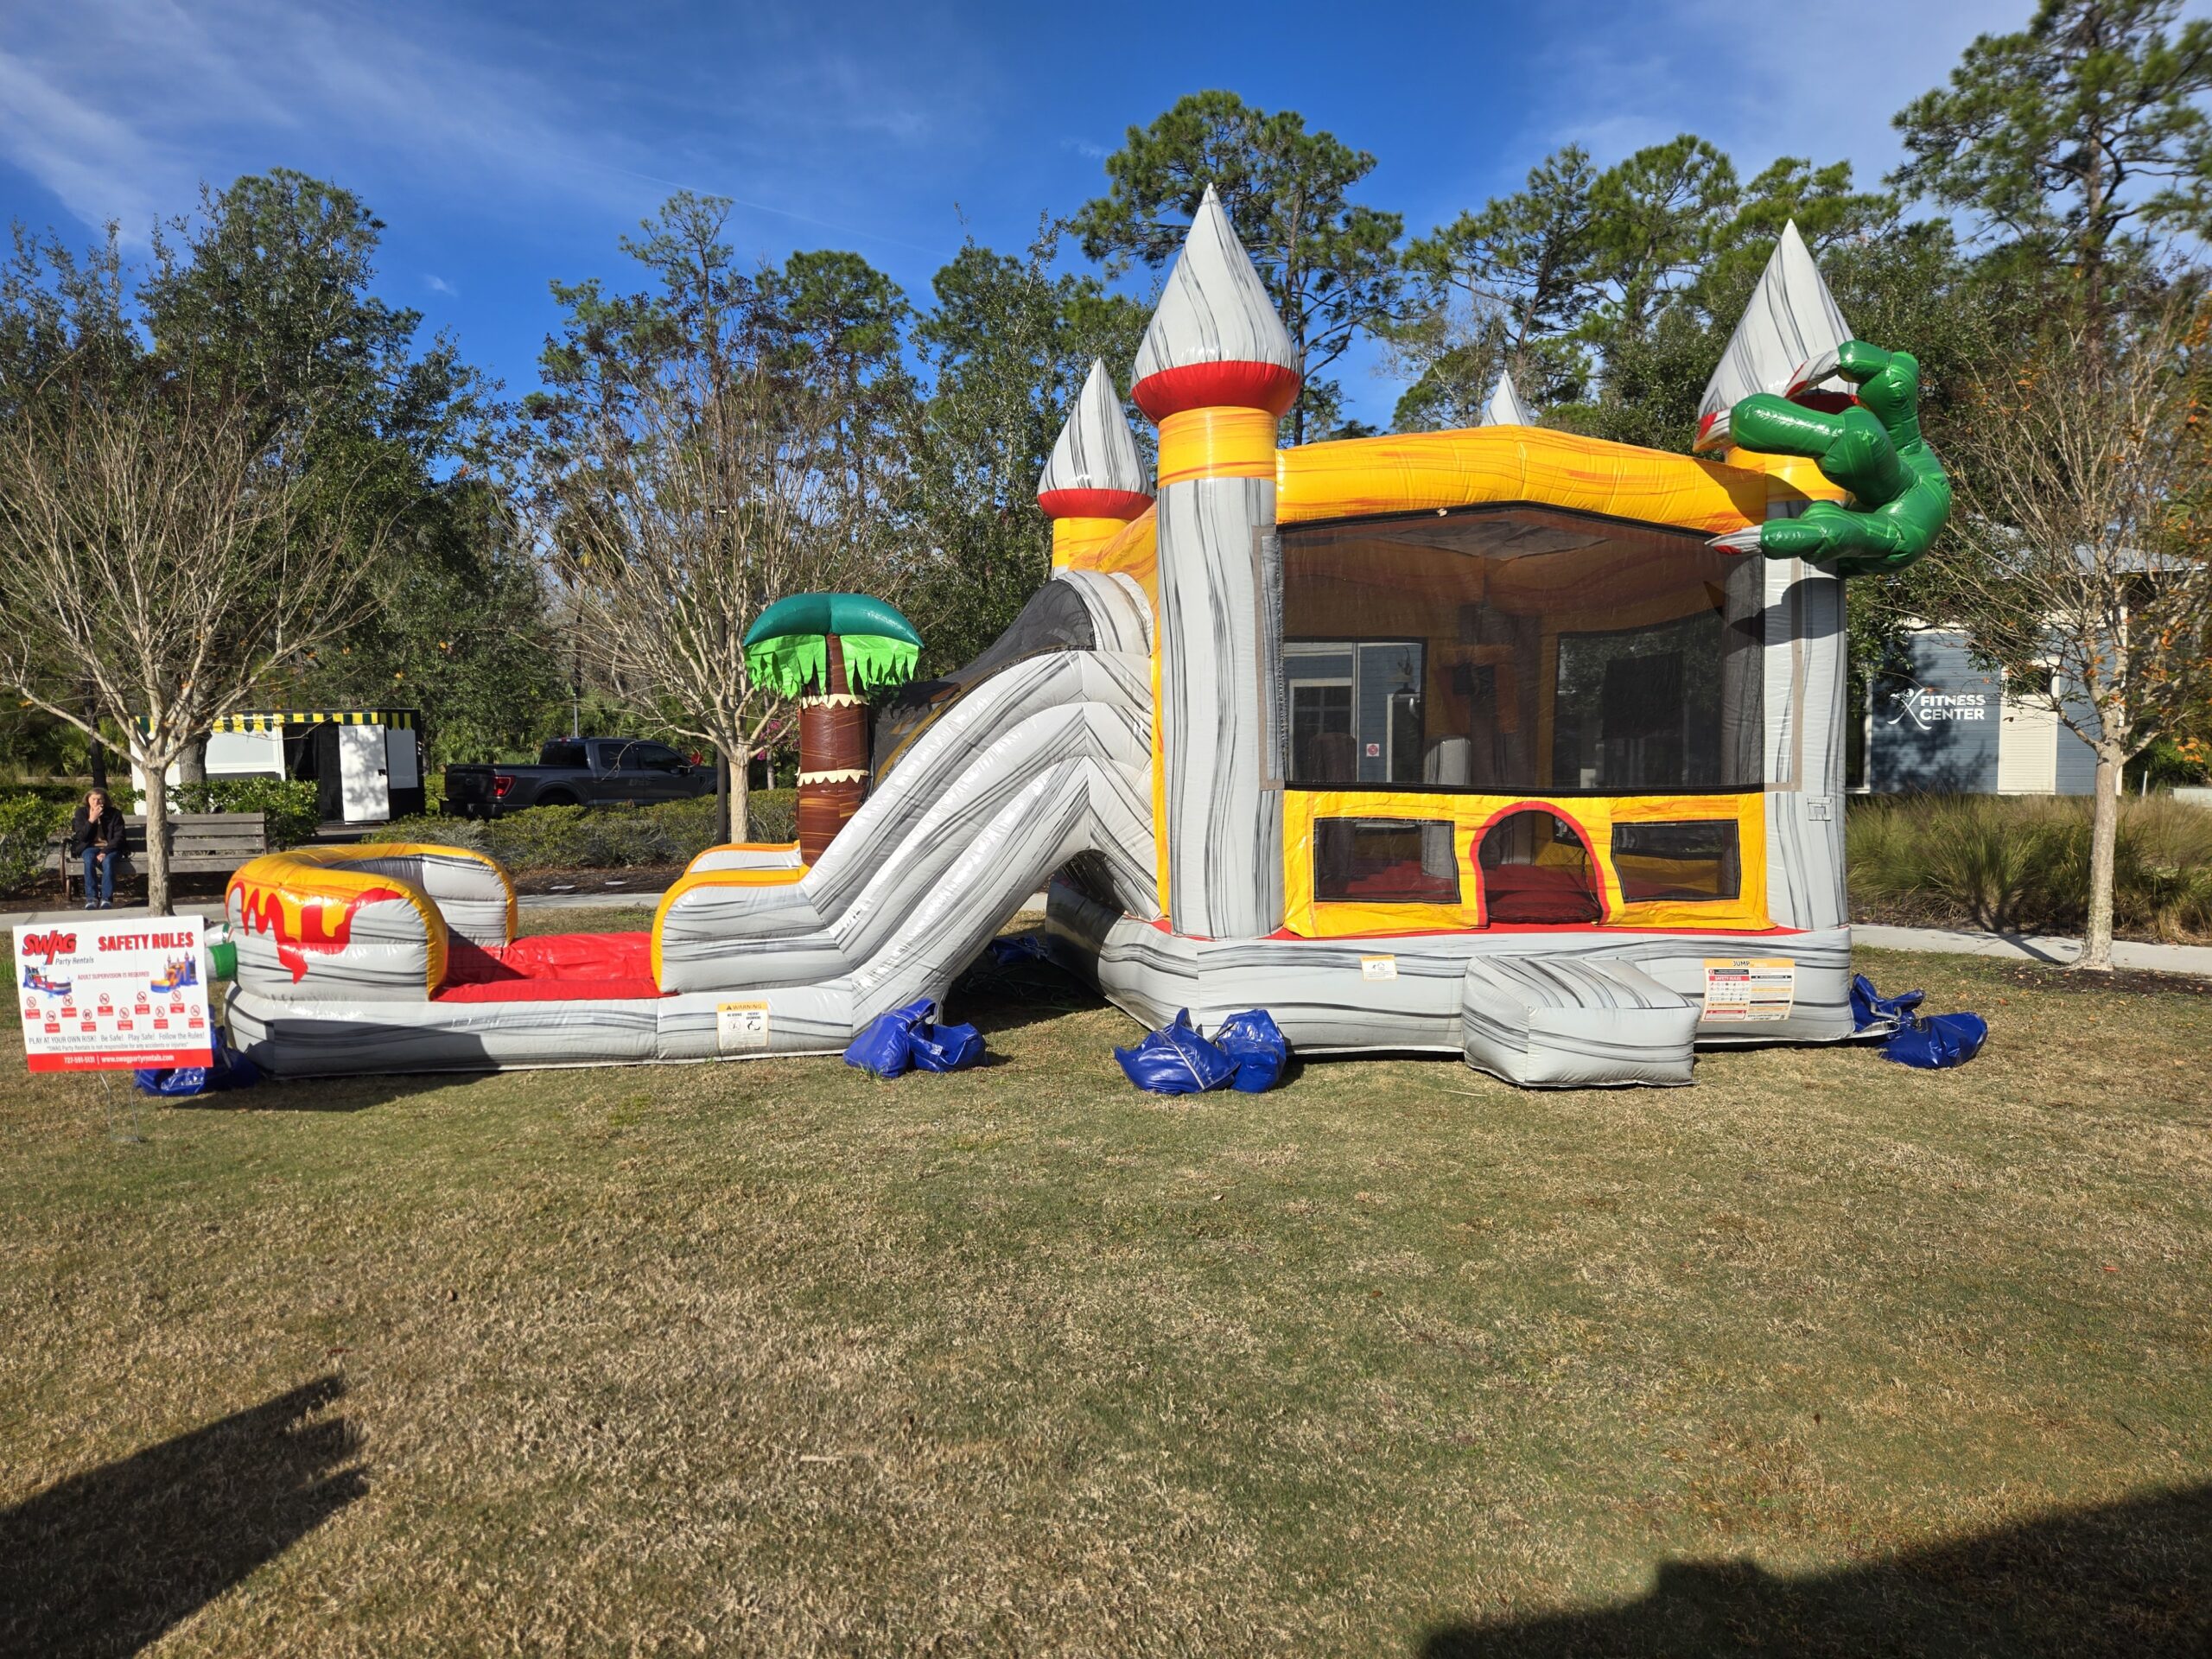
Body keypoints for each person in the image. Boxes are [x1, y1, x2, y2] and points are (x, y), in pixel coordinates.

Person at [66, 787, 128, 910]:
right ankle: (91, 899)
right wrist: (92, 820)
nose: (96, 802)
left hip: (110, 848)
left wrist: (105, 851)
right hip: (89, 847)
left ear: (105, 800)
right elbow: (82, 837)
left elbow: (119, 837)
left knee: (108, 861)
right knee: (89, 859)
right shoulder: (81, 813)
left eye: (100, 799)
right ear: (88, 800)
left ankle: (106, 899)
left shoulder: (114, 814)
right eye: (93, 799)